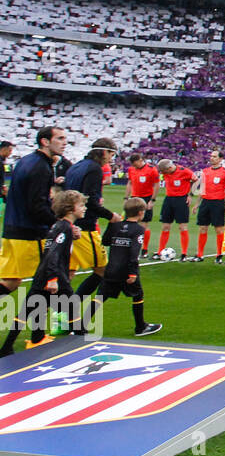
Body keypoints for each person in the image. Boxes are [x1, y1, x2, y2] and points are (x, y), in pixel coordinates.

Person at [2, 189, 84, 356]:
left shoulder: (57, 226)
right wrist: (53, 279)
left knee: (26, 310)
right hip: (55, 277)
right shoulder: (64, 228)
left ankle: (6, 348)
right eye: (81, 205)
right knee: (71, 309)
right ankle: (84, 344)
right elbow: (53, 254)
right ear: (70, 208)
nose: (84, 208)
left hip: (41, 276)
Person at [0, 127, 67, 310]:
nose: (64, 142)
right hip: (30, 233)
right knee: (48, 280)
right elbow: (37, 206)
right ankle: (38, 336)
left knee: (11, 281)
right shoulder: (41, 167)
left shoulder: (25, 161)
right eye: (60, 138)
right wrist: (59, 224)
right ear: (45, 141)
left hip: (11, 230)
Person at [64, 137, 121, 323]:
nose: (110, 158)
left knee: (68, 275)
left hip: (68, 225)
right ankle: (74, 313)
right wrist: (110, 215)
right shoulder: (95, 169)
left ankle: (63, 319)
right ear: (103, 152)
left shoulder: (76, 166)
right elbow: (89, 201)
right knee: (103, 270)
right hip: (85, 229)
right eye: (111, 154)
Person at [92, 196, 161, 337]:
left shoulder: (116, 226)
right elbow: (134, 253)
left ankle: (80, 325)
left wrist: (113, 227)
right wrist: (133, 273)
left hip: (111, 269)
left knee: (100, 296)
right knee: (138, 295)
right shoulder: (139, 230)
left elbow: (105, 241)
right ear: (141, 213)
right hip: (126, 270)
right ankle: (140, 327)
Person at [196, 150, 225, 263]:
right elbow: (202, 188)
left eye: (214, 156)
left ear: (220, 159)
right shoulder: (205, 171)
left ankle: (219, 255)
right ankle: (199, 254)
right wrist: (197, 203)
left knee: (218, 229)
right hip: (205, 202)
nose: (212, 158)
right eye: (211, 156)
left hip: (218, 203)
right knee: (202, 228)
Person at [155, 159, 195, 261]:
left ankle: (184, 253)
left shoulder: (184, 171)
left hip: (181, 200)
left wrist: (190, 195)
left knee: (182, 227)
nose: (163, 174)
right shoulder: (166, 173)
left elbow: (196, 180)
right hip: (168, 199)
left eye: (164, 171)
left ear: (169, 168)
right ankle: (160, 252)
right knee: (165, 226)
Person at [125, 153, 160, 256]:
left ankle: (144, 250)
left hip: (146, 198)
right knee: (130, 223)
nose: (134, 166)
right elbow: (130, 183)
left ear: (140, 160)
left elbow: (157, 184)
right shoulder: (131, 169)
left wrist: (152, 200)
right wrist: (126, 197)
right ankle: (130, 247)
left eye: (135, 164)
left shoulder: (151, 169)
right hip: (134, 197)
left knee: (144, 224)